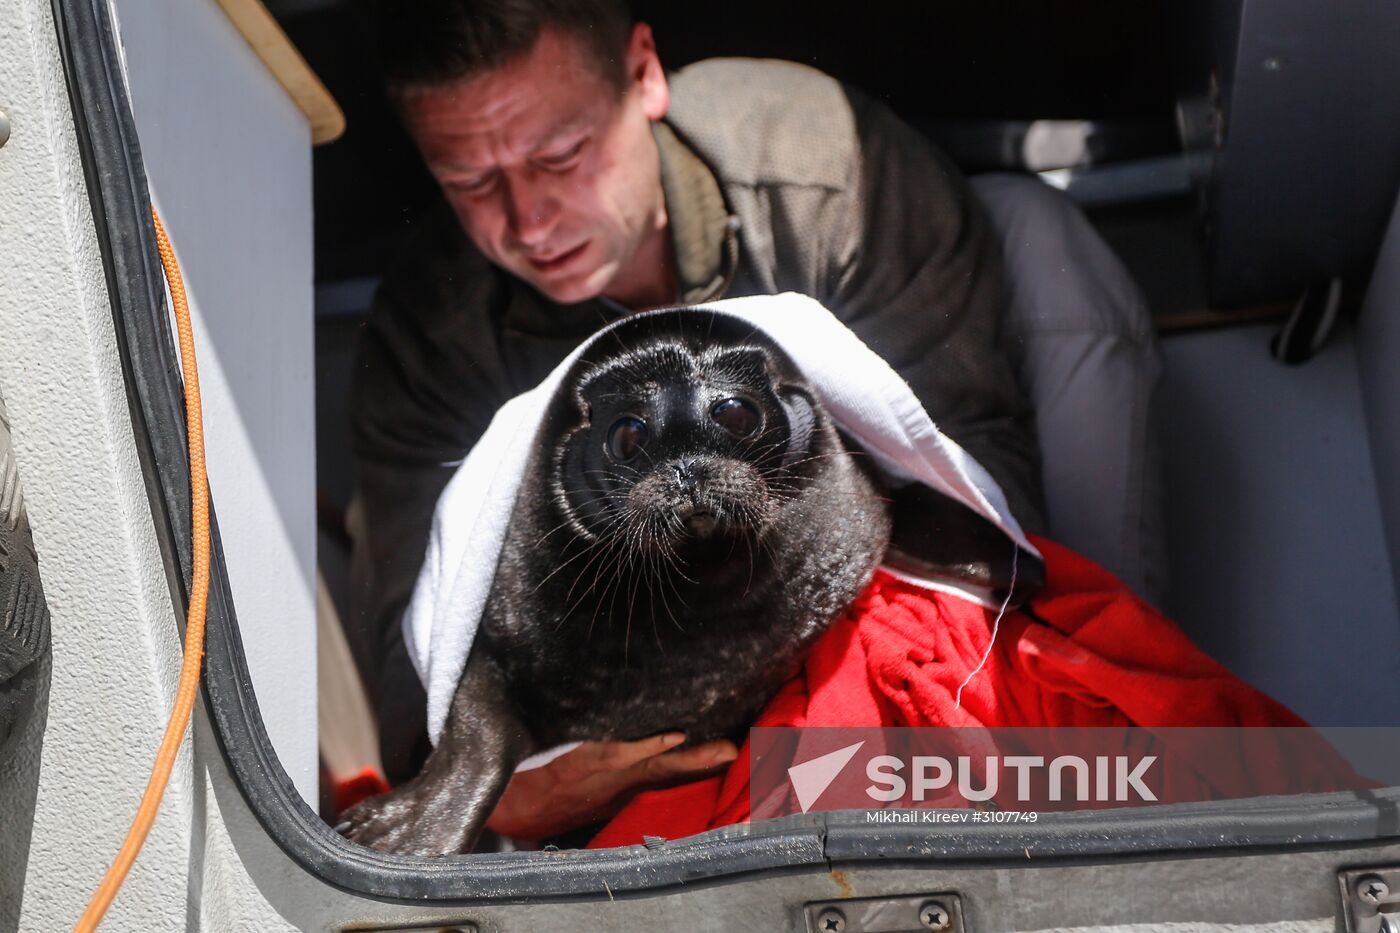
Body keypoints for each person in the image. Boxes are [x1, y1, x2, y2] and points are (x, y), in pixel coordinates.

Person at [346, 0, 1163, 841]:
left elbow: (971, 477)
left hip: (837, 602)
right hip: (610, 694)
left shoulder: (831, 172)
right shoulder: (430, 330)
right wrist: (511, 793)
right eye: (471, 183)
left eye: (561, 155)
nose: (529, 220)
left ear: (644, 75)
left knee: (1038, 232)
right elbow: (422, 641)